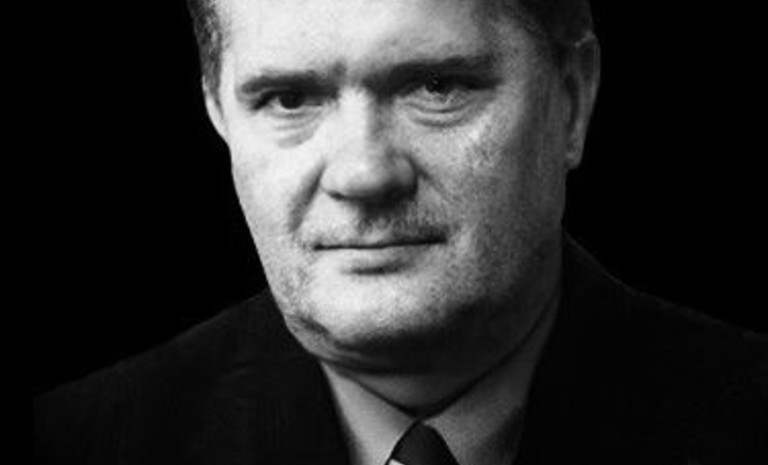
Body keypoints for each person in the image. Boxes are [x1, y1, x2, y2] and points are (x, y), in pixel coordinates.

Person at [34, 0, 766, 464]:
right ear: (219, 114)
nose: (364, 173)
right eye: (289, 98)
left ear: (571, 99)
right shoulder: (74, 443)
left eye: (437, 87)